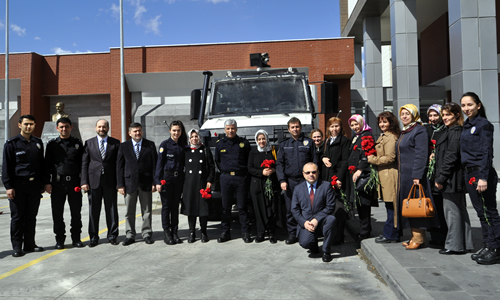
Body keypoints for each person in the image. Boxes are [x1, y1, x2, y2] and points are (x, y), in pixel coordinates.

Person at [460, 92, 500, 264]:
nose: (466, 109)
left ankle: (496, 248)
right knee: (481, 213)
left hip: (481, 174)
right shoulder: (467, 125)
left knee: (489, 212)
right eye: (463, 105)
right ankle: (487, 244)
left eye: (469, 105)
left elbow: (486, 152)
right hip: (470, 174)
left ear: (478, 105)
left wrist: (483, 178)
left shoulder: (483, 125)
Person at [2, 115, 48, 257]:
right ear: (19, 125)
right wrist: (9, 186)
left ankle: (29, 244)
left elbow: (42, 166)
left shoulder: (38, 143)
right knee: (17, 217)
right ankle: (17, 246)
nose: (29, 127)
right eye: (26, 124)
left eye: (32, 124)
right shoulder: (11, 144)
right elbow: (6, 167)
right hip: (18, 186)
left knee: (31, 216)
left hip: (34, 186)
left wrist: (44, 183)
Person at [397, 104, 440, 250]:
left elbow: (421, 154)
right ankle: (413, 236)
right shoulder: (405, 131)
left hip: (414, 175)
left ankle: (419, 238)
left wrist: (417, 175)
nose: (404, 116)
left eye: (407, 114)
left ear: (414, 115)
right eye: (402, 114)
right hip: (404, 176)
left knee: (416, 207)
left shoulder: (419, 130)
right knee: (409, 206)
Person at [434, 102, 473, 255]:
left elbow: (451, 156)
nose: (445, 118)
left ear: (457, 115)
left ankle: (454, 245)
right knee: (459, 211)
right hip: (454, 178)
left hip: (451, 178)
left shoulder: (455, 132)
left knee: (452, 212)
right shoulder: (452, 130)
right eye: (443, 115)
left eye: (448, 114)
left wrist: (441, 177)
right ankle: (465, 243)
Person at [44, 117, 84, 249]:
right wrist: (47, 182)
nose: (64, 129)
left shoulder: (77, 144)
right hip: (58, 183)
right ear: (57, 128)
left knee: (76, 213)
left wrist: (83, 181)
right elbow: (47, 165)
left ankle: (76, 238)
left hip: (74, 183)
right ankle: (60, 240)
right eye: (61, 127)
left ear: (71, 127)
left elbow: (83, 164)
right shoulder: (52, 145)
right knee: (57, 213)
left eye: (66, 126)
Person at [276, 117, 317, 244]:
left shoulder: (308, 143)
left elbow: (314, 161)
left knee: (307, 208)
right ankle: (292, 234)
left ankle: (307, 232)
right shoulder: (284, 145)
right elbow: (280, 164)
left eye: (297, 126)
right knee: (290, 209)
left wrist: (312, 179)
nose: (295, 129)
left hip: (305, 182)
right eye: (292, 127)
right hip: (290, 182)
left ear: (301, 128)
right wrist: (282, 180)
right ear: (288, 129)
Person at [81, 119, 120, 247]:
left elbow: (118, 165)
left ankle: (112, 235)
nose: (101, 129)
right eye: (99, 127)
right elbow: (85, 164)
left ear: (108, 128)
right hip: (93, 182)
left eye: (104, 127)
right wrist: (84, 181)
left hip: (110, 181)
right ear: (95, 127)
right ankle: (93, 237)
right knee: (94, 210)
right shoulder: (89, 143)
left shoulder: (115, 143)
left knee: (112, 209)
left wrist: (119, 183)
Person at [117, 122, 157, 246]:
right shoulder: (124, 146)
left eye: (139, 130)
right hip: (129, 183)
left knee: (147, 210)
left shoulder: (150, 145)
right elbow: (119, 166)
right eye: (134, 131)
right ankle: (130, 235)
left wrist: (155, 182)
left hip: (146, 183)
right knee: (129, 211)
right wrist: (120, 185)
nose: (137, 133)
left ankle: (147, 233)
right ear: (129, 133)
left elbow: (155, 165)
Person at [214, 119, 252, 243]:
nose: (230, 131)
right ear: (225, 130)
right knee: (225, 207)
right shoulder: (220, 144)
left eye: (232, 128)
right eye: (228, 128)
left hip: (240, 178)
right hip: (225, 178)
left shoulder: (243, 143)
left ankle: (245, 232)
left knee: (242, 207)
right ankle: (225, 232)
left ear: (236, 129)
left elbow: (248, 160)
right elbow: (218, 161)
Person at [291, 162, 337, 262]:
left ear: (318, 172)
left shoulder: (326, 186)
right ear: (303, 174)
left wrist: (317, 219)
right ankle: (313, 246)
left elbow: (330, 206)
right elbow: (294, 209)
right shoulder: (298, 189)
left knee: (331, 219)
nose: (310, 174)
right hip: (307, 222)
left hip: (322, 221)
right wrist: (304, 222)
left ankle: (326, 251)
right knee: (305, 242)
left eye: (313, 172)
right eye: (307, 172)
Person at [367, 112, 400, 243]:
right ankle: (391, 233)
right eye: (380, 122)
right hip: (385, 175)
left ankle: (391, 234)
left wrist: (373, 159)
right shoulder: (384, 136)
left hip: (390, 175)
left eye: (385, 122)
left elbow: (390, 157)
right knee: (389, 206)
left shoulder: (391, 137)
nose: (382, 124)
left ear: (391, 123)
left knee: (392, 207)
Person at [155, 120, 187, 245]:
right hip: (166, 179)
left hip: (178, 179)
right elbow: (159, 164)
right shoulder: (165, 145)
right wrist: (158, 181)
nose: (176, 133)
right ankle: (167, 233)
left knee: (175, 207)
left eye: (178, 130)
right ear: (170, 131)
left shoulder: (183, 145)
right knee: (166, 207)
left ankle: (175, 232)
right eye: (174, 130)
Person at [181, 129, 215, 243]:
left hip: (202, 183)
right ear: (189, 139)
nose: (194, 139)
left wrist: (210, 180)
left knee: (203, 209)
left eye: (196, 136)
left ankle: (204, 232)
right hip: (189, 184)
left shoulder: (204, 149)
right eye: (192, 137)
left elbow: (211, 166)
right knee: (191, 209)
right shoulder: (185, 151)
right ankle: (192, 232)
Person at [320, 117, 350, 245]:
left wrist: (338, 179)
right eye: (332, 126)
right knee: (329, 208)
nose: (334, 129)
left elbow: (344, 162)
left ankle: (339, 237)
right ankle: (330, 234)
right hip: (327, 179)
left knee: (339, 209)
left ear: (341, 127)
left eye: (336, 126)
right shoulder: (327, 141)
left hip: (337, 180)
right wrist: (323, 158)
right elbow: (322, 153)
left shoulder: (344, 141)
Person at [347, 114, 377, 240]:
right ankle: (365, 229)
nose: (355, 127)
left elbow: (367, 154)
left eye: (356, 124)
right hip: (355, 175)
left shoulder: (367, 135)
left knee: (363, 204)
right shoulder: (357, 137)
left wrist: (359, 169)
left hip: (363, 174)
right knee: (359, 204)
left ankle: (364, 232)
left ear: (362, 123)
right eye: (352, 125)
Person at [248, 130, 280, 243]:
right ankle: (260, 233)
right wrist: (262, 173)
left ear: (267, 139)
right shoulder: (253, 152)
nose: (262, 141)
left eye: (263, 138)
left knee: (270, 209)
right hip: (257, 185)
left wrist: (273, 170)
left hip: (270, 184)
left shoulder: (272, 151)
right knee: (258, 209)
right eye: (259, 139)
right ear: (256, 140)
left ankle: (271, 234)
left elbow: (278, 164)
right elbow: (250, 168)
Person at [425, 104, 448, 246]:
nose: (433, 119)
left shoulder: (446, 130)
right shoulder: (426, 130)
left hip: (440, 172)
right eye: (430, 115)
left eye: (436, 115)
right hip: (429, 173)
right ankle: (434, 235)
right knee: (432, 205)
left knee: (441, 205)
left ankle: (443, 236)